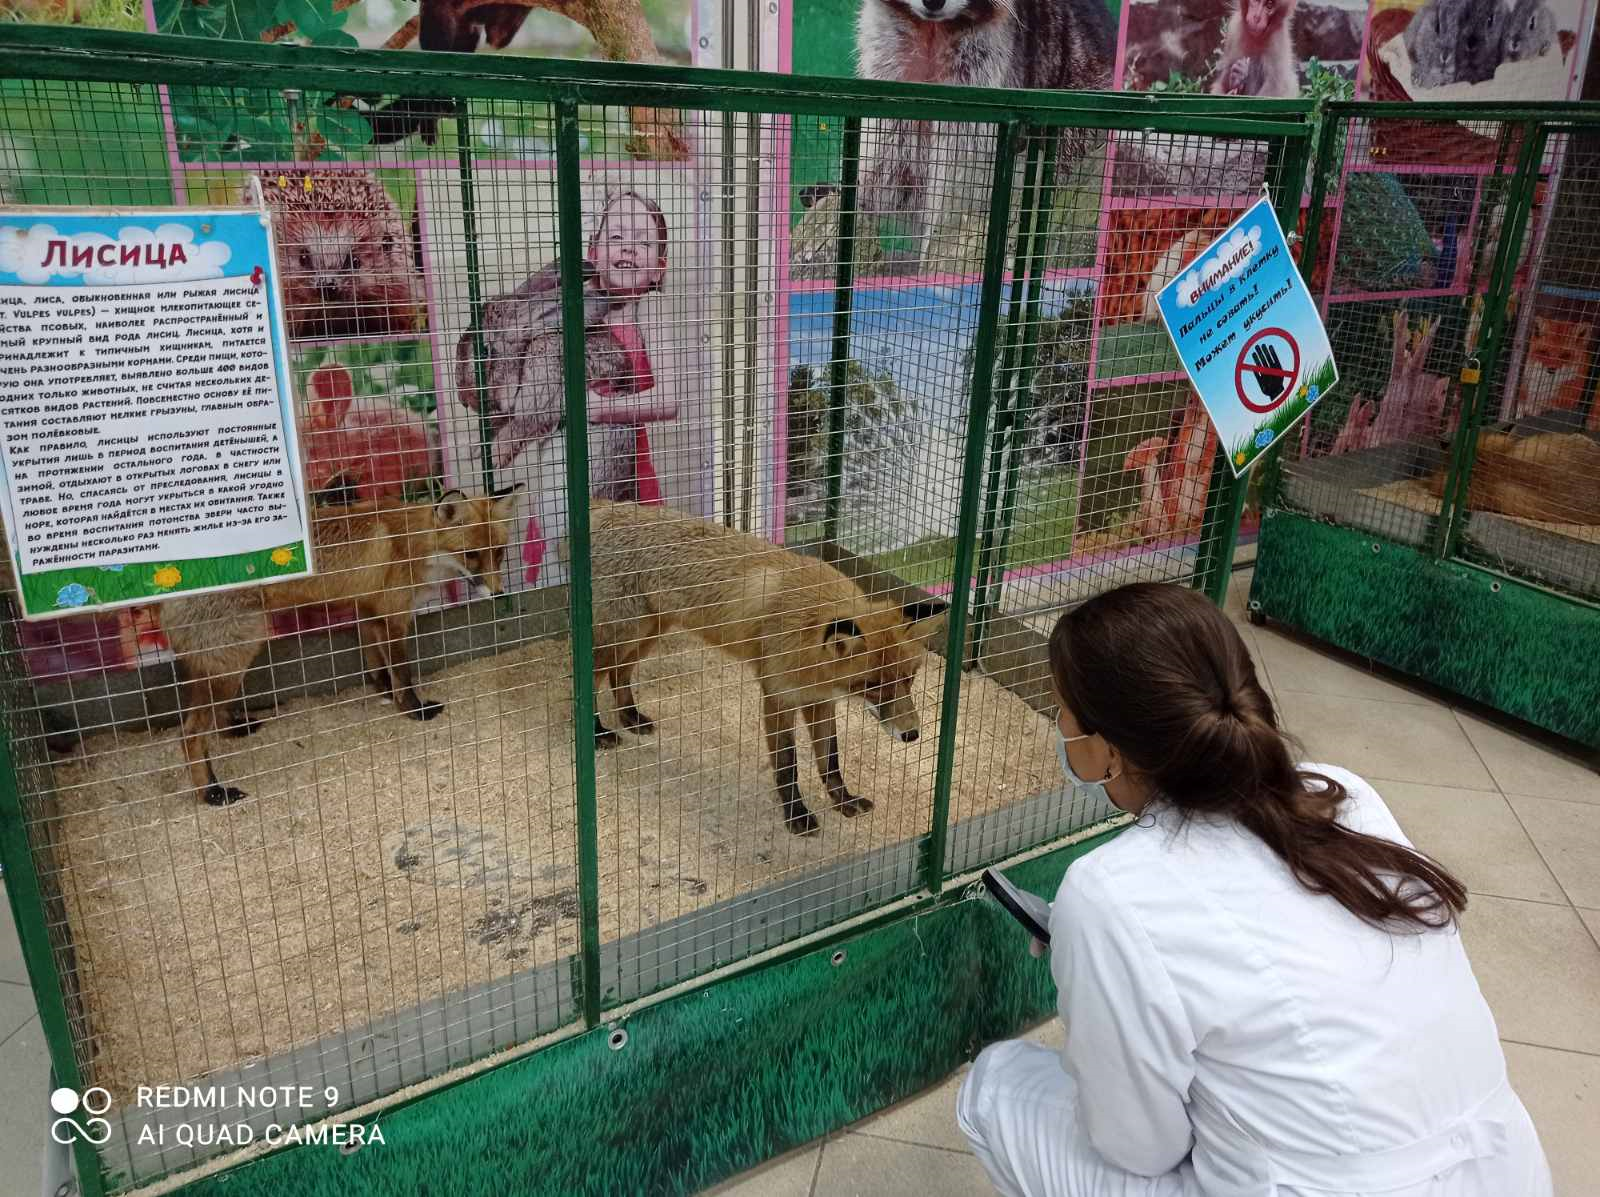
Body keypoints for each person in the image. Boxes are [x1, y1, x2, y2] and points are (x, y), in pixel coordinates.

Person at [957, 583, 1550, 1197]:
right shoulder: (1343, 794)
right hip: (1504, 1172)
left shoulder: (1108, 889)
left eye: (1064, 714)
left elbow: (1138, 1148)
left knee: (997, 1084)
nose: (1060, 728)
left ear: (1108, 750)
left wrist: (1095, 977)